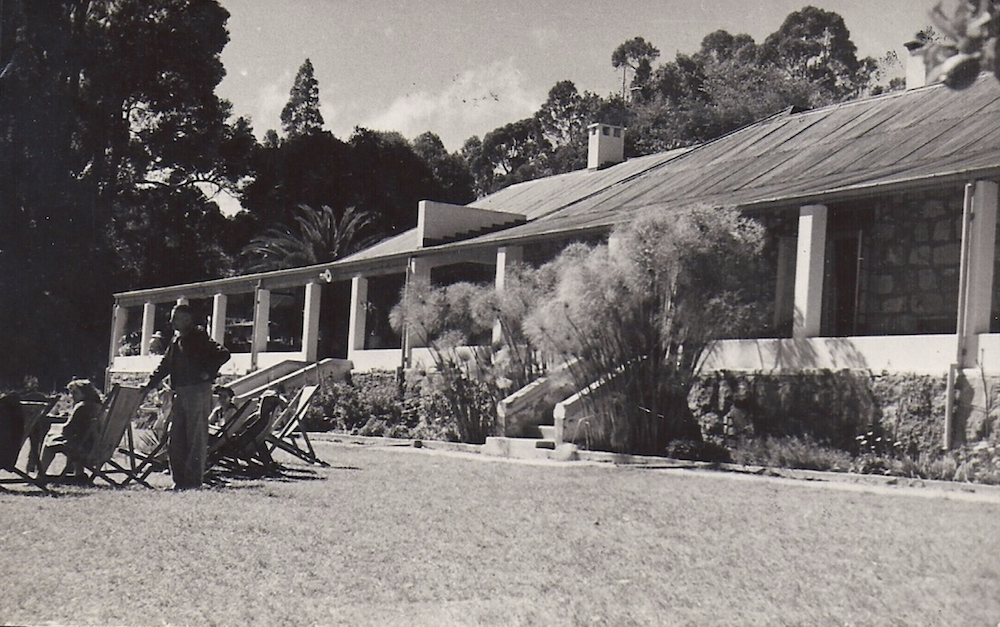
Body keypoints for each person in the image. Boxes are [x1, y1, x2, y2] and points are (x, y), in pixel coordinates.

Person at [141, 304, 230, 490]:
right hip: (179, 392)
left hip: (197, 391)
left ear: (187, 319)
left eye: (176, 318)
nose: (171, 321)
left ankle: (193, 482)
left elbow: (223, 354)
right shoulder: (176, 340)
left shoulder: (198, 336)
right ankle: (179, 481)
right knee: (176, 438)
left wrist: (207, 373)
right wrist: (149, 384)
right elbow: (165, 365)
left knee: (196, 437)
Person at [37, 379, 103, 482]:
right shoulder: (98, 406)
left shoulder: (82, 406)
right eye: (71, 393)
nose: (71, 396)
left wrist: (57, 428)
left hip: (83, 448)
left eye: (75, 393)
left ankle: (40, 474)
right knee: (76, 438)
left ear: (85, 393)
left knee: (50, 440)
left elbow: (67, 429)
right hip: (94, 446)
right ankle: (79, 473)